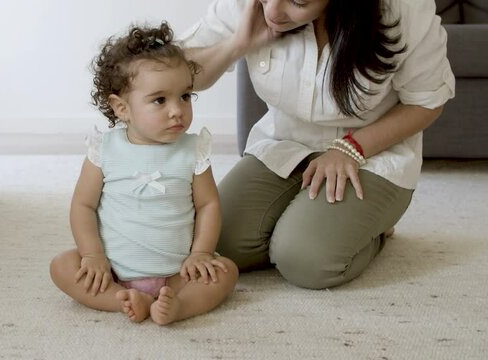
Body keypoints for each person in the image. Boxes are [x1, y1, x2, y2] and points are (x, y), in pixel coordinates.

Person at [179, 0, 454, 289]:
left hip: (370, 154)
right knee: (212, 240)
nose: (273, 12)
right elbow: (174, 71)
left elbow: (426, 102)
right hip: (284, 146)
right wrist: (237, 44)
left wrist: (350, 148)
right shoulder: (248, 5)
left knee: (305, 260)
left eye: (298, 2)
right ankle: (309, 223)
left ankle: (374, 229)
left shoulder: (403, 7)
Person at [49, 22, 238, 325]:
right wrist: (93, 255)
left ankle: (180, 306)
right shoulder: (104, 149)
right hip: (113, 270)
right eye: (160, 100)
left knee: (225, 271)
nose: (177, 110)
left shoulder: (193, 150)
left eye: (186, 96)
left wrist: (201, 253)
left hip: (178, 274)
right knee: (62, 266)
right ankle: (119, 299)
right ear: (122, 108)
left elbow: (208, 205)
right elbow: (83, 206)